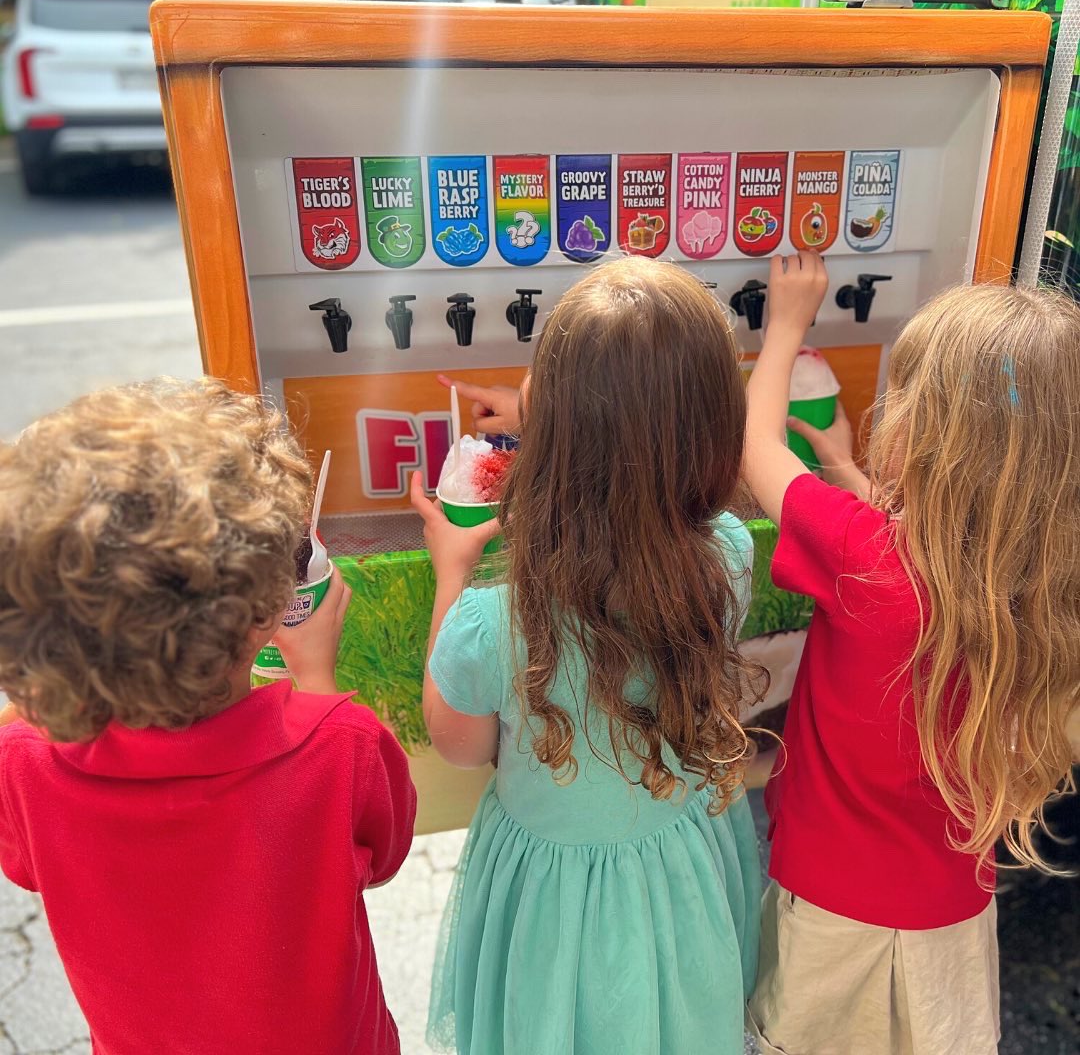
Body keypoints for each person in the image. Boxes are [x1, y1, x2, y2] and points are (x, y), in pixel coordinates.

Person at [0, 378, 416, 1055]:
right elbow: (383, 854)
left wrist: (53, 664)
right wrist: (314, 677)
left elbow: (24, 860)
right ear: (261, 616)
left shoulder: (21, 758)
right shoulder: (338, 743)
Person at [415, 257, 766, 1055]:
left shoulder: (492, 621)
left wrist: (451, 573)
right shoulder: (730, 556)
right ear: (717, 428)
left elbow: (458, 743)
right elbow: (637, 438)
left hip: (549, 899)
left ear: (554, 436)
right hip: (679, 869)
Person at [742, 253, 1080, 1055]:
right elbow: (954, 557)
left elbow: (757, 443)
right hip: (952, 922)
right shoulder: (1049, 592)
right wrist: (846, 469)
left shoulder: (866, 558)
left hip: (828, 921)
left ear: (926, 431)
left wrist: (785, 323)